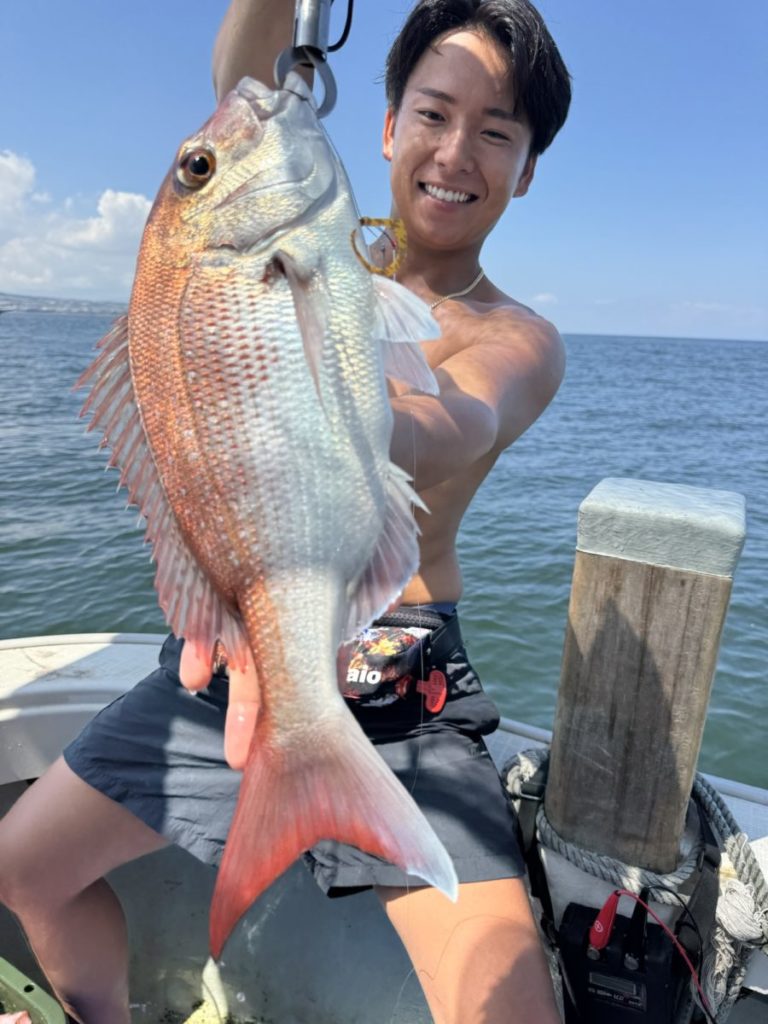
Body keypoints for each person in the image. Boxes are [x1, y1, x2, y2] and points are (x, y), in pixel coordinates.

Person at [0, 1, 570, 1021]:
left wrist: (338, 407)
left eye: (496, 132)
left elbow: (468, 417)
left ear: (527, 170)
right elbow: (244, 68)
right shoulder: (300, 242)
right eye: (433, 114)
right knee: (21, 869)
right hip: (238, 652)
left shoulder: (519, 334)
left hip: (402, 688)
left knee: (510, 1009)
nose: (455, 152)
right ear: (386, 126)